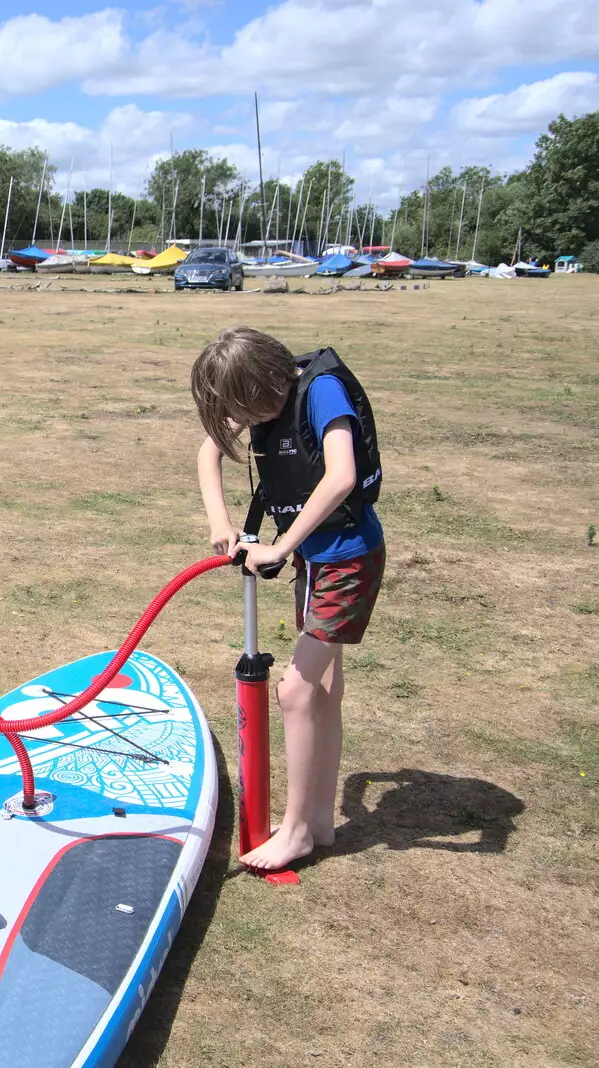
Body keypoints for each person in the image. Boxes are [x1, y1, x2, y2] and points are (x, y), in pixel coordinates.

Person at [191, 326, 385, 871]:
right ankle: (319, 822)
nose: (240, 419)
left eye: (239, 407)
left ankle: (297, 830)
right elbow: (209, 453)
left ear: (261, 383)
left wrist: (281, 546)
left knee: (296, 692)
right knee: (322, 688)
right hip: (318, 560)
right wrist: (221, 523)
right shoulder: (262, 395)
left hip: (348, 558)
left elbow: (342, 476)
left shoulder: (321, 392)